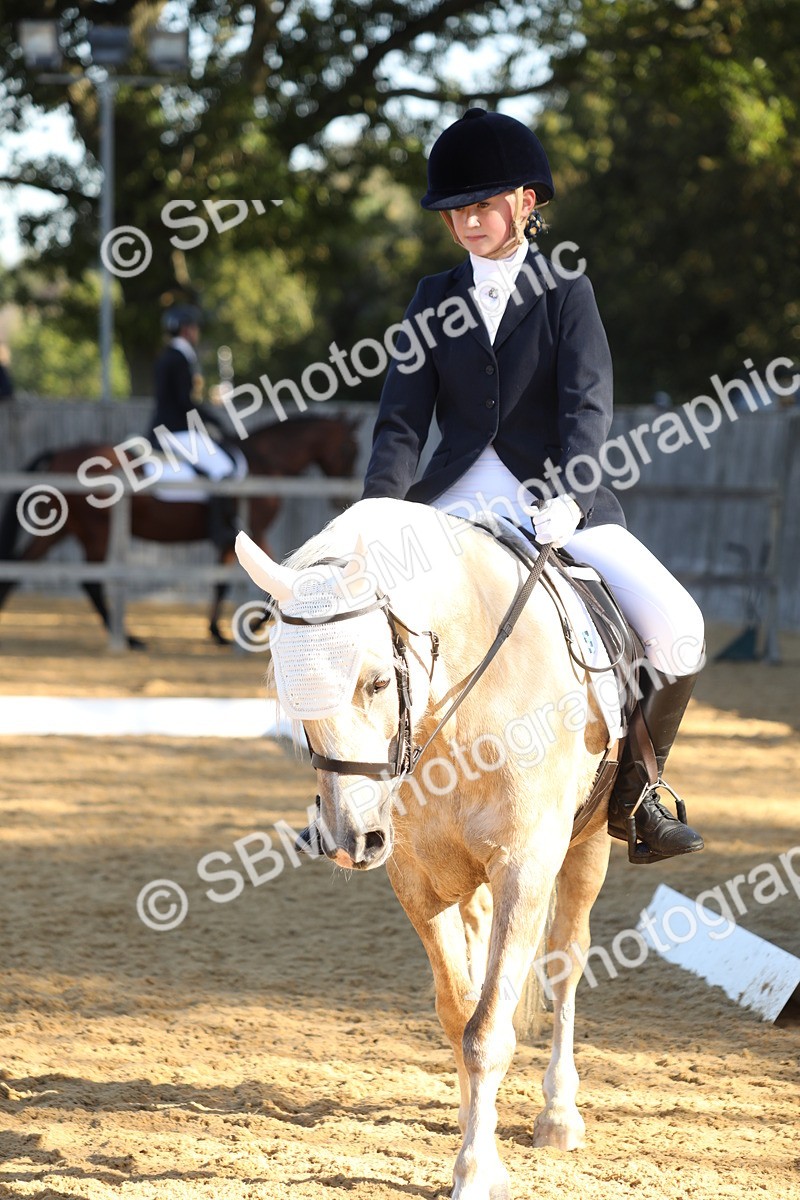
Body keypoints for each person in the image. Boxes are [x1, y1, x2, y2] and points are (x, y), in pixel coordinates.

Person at [361, 108, 706, 865]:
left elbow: (588, 404)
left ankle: (638, 796)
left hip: (555, 499)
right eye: (454, 211)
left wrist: (574, 494)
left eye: (481, 206)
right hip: (453, 504)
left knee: (679, 630)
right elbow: (401, 423)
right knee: (356, 619)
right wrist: (379, 514)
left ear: (525, 202)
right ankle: (354, 796)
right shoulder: (431, 297)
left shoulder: (566, 291)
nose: (466, 222)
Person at [148, 305, 240, 549]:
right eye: (195, 328)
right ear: (187, 330)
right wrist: (213, 420)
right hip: (176, 430)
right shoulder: (180, 358)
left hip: (169, 427)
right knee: (223, 467)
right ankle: (221, 531)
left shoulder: (169, 355)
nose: (196, 332)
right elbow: (184, 402)